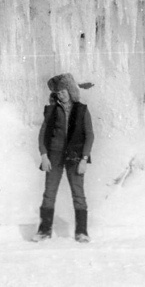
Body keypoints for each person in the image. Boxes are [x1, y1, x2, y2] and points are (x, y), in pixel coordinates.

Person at [33, 73, 94, 243]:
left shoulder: (81, 109)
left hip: (75, 157)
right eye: (58, 92)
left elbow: (89, 135)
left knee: (78, 194)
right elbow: (42, 135)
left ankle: (82, 232)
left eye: (64, 91)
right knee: (49, 193)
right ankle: (44, 231)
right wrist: (44, 156)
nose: (61, 94)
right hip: (54, 156)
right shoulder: (51, 110)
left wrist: (84, 159)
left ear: (70, 90)